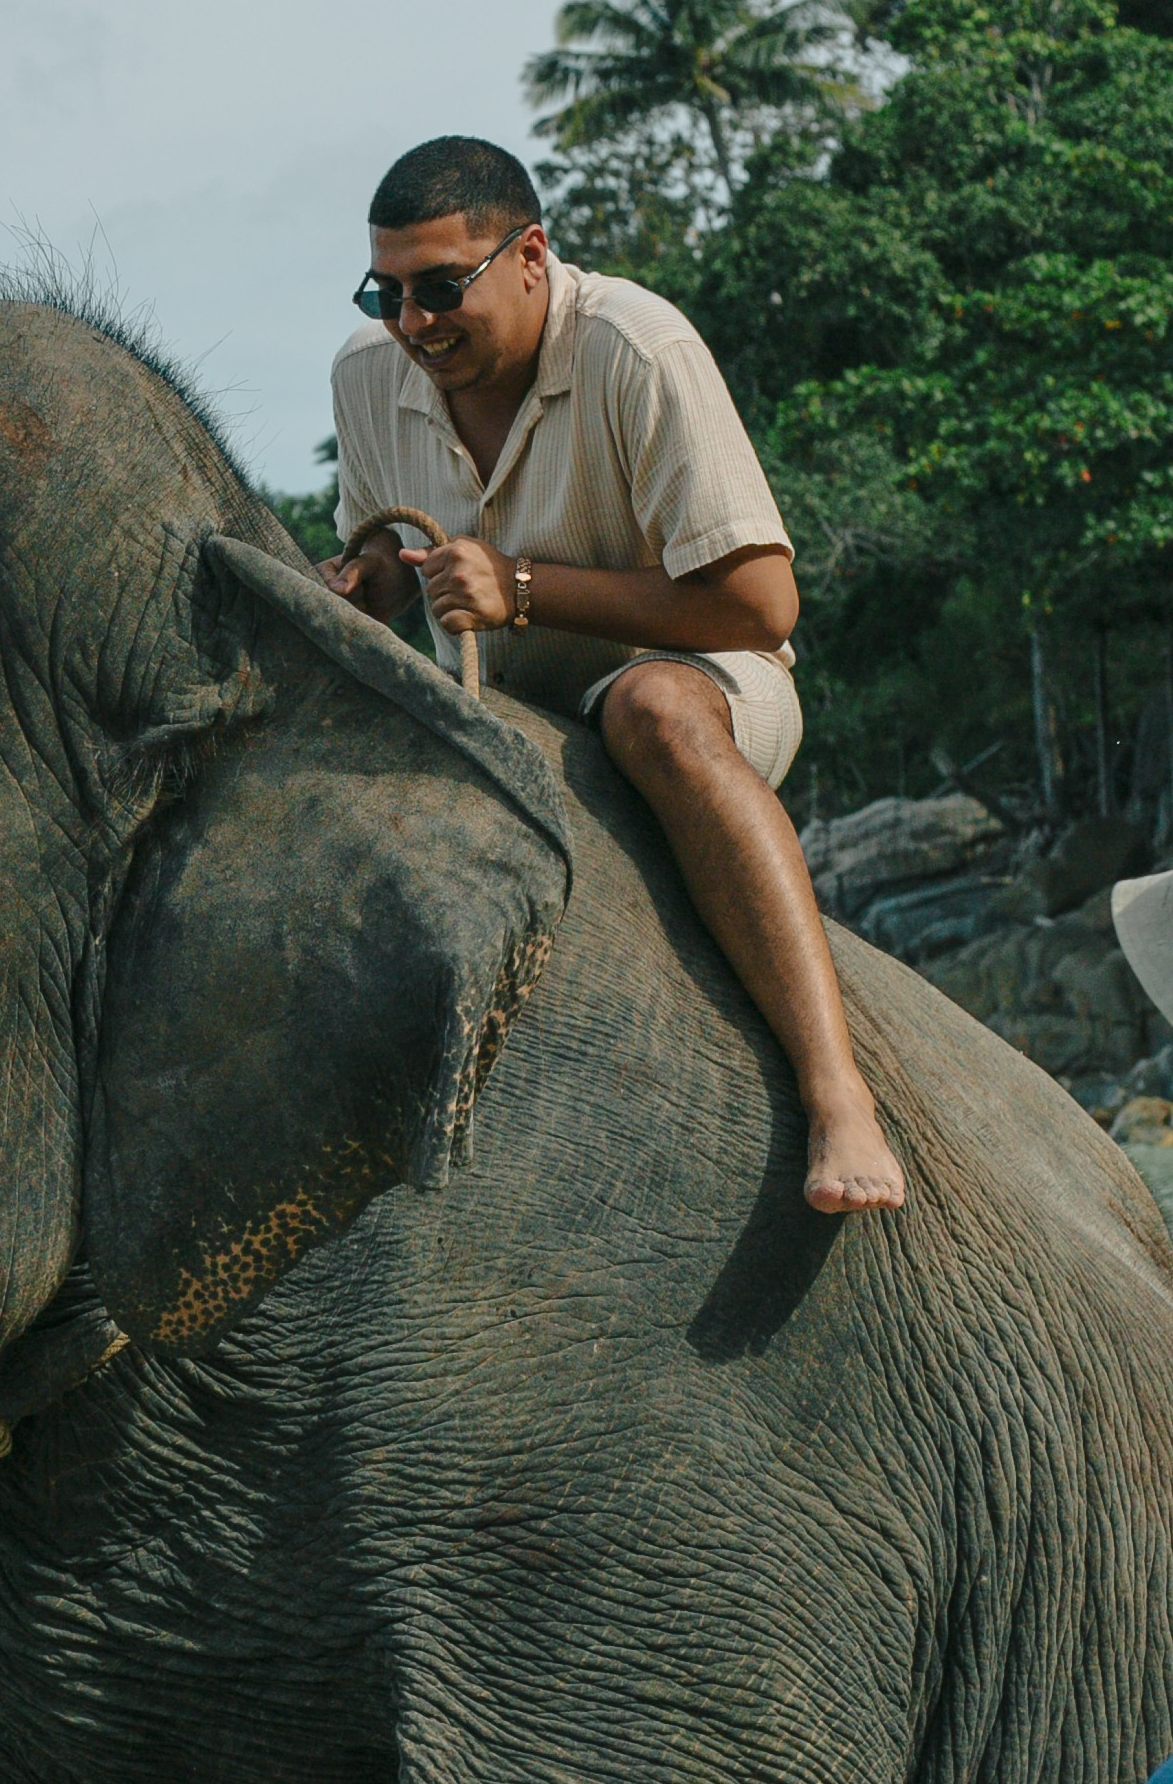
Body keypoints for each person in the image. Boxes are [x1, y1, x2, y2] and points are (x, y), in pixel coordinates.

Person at [328, 134, 906, 1215]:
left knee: (651, 708)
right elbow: (390, 567)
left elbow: (761, 604)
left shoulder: (635, 349)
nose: (412, 325)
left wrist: (522, 587)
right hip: (505, 712)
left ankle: (836, 1092)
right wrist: (366, 583)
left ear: (531, 254)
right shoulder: (366, 377)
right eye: (386, 294)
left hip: (701, 686)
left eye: (442, 288)